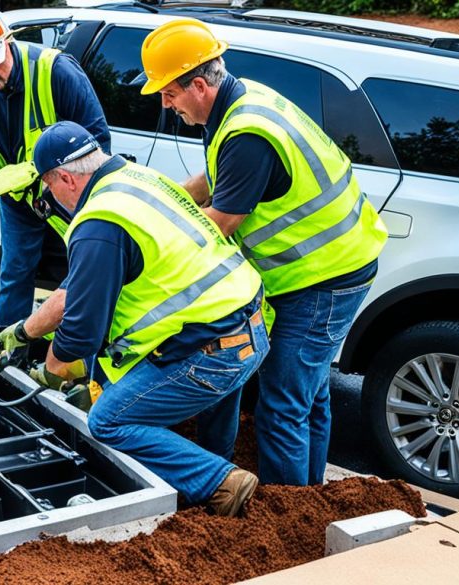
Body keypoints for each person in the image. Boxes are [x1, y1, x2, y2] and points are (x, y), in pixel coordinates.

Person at [139, 18, 388, 486]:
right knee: (309, 396)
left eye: (168, 94)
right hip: (335, 265)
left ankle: (286, 516)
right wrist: (164, 202)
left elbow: (223, 221)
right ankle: (309, 499)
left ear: (197, 85)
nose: (165, 104)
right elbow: (217, 180)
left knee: (281, 405)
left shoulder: (247, 133)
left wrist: (155, 241)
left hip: (323, 278)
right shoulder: (240, 100)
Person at [2, 121, 270, 516]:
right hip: (249, 327)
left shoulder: (99, 222)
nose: (51, 198)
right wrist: (23, 331)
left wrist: (50, 372)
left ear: (65, 178)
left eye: (49, 187)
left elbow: (80, 334)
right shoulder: (137, 177)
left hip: (213, 354)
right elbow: (76, 286)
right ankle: (209, 480)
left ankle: (221, 482)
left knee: (108, 421)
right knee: (212, 403)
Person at [0, 9, 110, 329]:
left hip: (69, 194)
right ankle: (8, 345)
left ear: (8, 44)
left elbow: (98, 140)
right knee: (14, 273)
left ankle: (82, 345)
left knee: (86, 269)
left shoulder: (55, 72)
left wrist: (43, 171)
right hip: (17, 200)